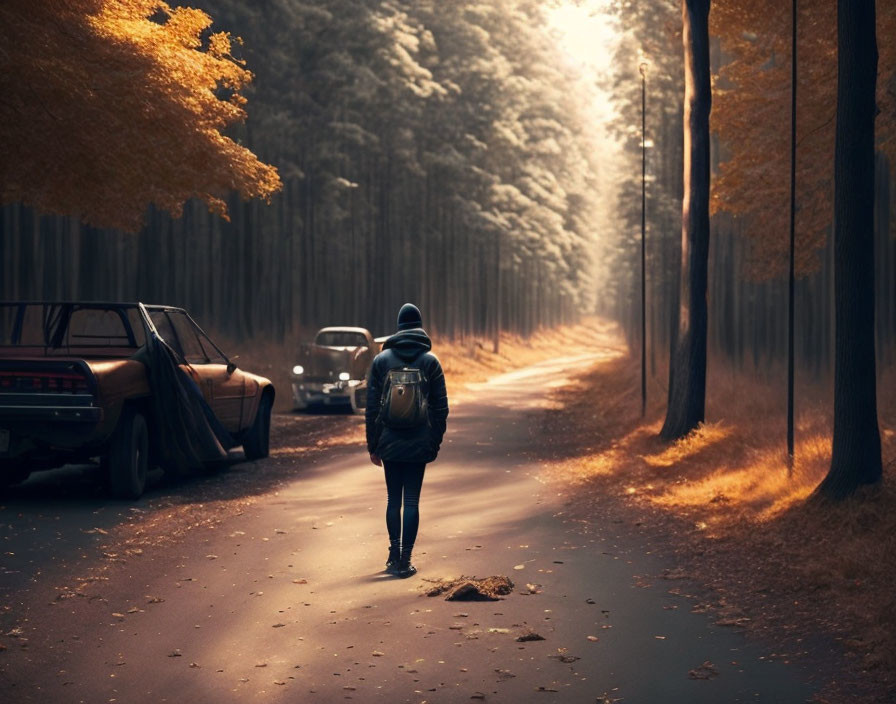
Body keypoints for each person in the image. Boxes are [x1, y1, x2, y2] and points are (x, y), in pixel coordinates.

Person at [366, 303, 449, 578]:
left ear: (399, 327)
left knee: (393, 499)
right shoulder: (430, 361)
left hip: (389, 442)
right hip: (418, 442)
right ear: (420, 326)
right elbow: (441, 408)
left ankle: (392, 554)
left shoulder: (381, 361)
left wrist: (373, 445)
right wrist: (433, 441)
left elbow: (372, 409)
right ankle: (406, 560)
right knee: (411, 500)